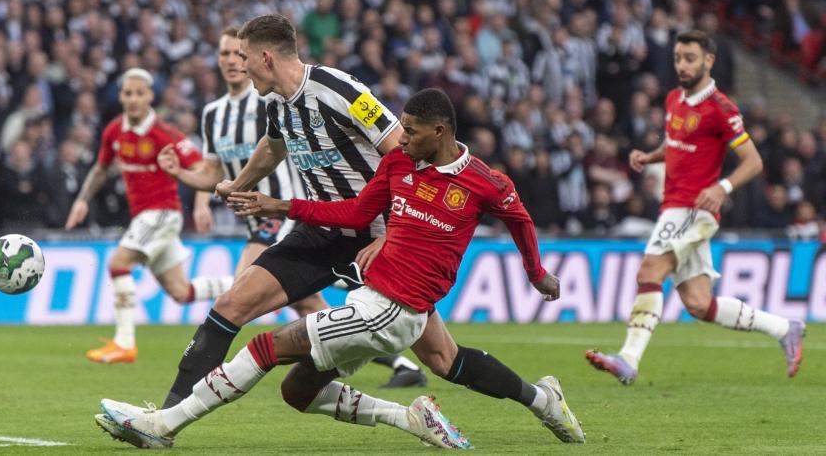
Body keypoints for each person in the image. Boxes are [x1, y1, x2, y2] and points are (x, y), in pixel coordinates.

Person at [94, 88, 583, 449]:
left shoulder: (484, 183)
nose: (400, 139)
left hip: (396, 309)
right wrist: (279, 204)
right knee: (299, 390)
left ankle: (165, 425)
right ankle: (532, 402)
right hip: (370, 297)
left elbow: (520, 220)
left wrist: (536, 272)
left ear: (440, 132)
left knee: (267, 345)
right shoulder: (396, 167)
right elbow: (351, 214)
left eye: (410, 131)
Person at [158, 25, 426, 388]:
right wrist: (236, 187)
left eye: (243, 55)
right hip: (317, 228)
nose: (238, 63)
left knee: (441, 356)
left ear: (265, 58)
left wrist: (395, 230)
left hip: (370, 233)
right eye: (228, 55)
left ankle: (526, 398)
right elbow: (272, 147)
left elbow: (404, 153)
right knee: (234, 303)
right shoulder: (254, 106)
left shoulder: (342, 90)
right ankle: (165, 416)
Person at [586, 30, 806, 384]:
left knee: (649, 272)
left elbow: (753, 162)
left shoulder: (721, 108)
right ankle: (785, 327)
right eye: (678, 58)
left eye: (690, 58)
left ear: (709, 61)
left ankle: (628, 359)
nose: (682, 65)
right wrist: (651, 155)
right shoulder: (674, 99)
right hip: (673, 206)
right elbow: (677, 142)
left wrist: (723, 187)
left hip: (693, 209)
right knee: (700, 304)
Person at [65, 68, 234, 364]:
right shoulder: (114, 131)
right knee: (182, 292)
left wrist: (201, 204)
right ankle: (248, 284)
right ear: (120, 96)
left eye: (139, 93)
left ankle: (125, 342)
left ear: (150, 96)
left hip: (162, 214)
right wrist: (81, 200)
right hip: (144, 218)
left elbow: (203, 170)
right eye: (127, 93)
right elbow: (101, 168)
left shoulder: (165, 134)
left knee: (118, 263)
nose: (132, 99)